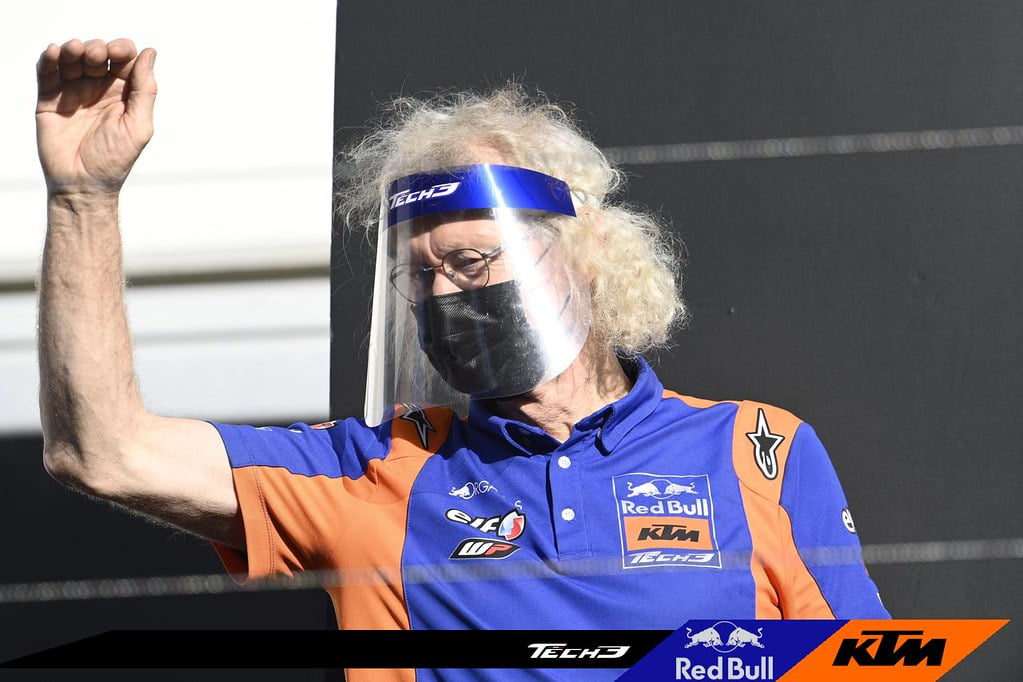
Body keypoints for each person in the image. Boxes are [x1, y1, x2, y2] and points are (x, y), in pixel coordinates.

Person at [36, 38, 889, 681]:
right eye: (420, 274)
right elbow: (102, 450)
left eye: (472, 262)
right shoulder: (376, 467)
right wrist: (82, 198)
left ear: (586, 253)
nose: (444, 294)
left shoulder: (754, 449)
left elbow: (861, 668)